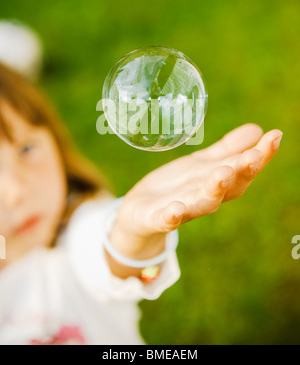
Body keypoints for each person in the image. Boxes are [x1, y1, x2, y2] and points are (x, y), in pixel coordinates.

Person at [0, 62, 283, 345]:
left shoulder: (75, 229)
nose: (16, 191)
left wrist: (130, 233)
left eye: (26, 148)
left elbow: (107, 250)